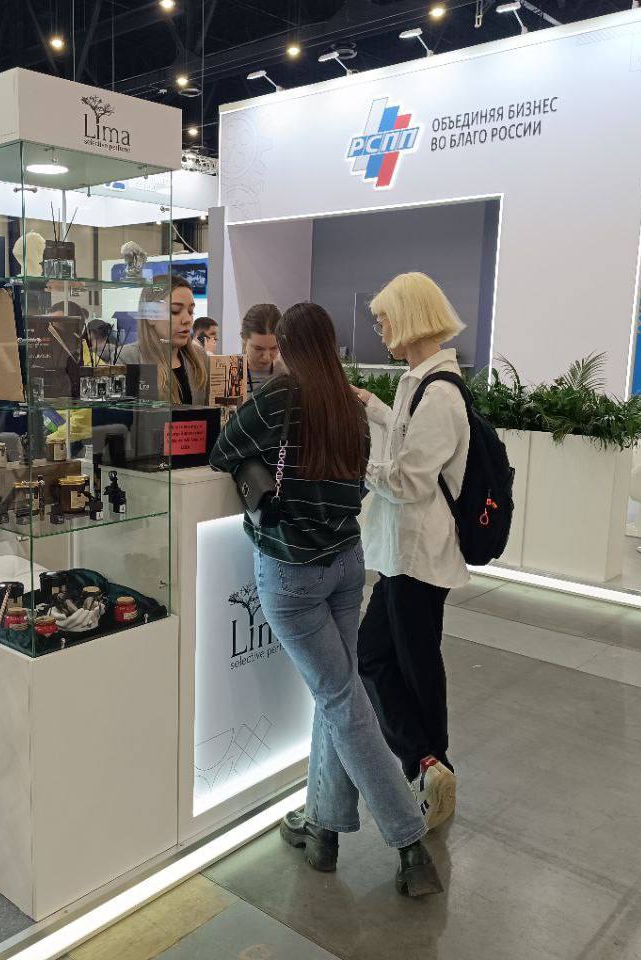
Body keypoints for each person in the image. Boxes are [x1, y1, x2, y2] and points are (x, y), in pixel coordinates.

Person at [210, 301, 441, 899]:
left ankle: (408, 839)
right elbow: (357, 483)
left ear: (288, 348)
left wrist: (260, 469)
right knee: (338, 695)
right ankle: (323, 829)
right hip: (346, 565)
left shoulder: (282, 398)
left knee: (341, 699)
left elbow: (223, 449)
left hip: (292, 574)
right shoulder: (350, 404)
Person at [352, 272, 470, 832]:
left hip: (418, 554)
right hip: (405, 553)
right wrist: (375, 408)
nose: (379, 329)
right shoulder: (420, 383)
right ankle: (427, 765)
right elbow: (406, 436)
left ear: (409, 318)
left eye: (383, 319)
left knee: (409, 664)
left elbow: (408, 481)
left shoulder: (440, 393)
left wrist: (353, 463)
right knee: (383, 656)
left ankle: (431, 766)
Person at [118, 275, 209, 405]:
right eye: (175, 311)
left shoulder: (199, 356)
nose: (187, 320)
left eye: (191, 311)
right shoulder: (128, 358)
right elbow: (124, 415)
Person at [240, 303, 287, 394]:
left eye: (274, 348)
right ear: (244, 341)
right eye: (258, 349)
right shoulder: (226, 373)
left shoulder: (287, 373)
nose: (266, 357)